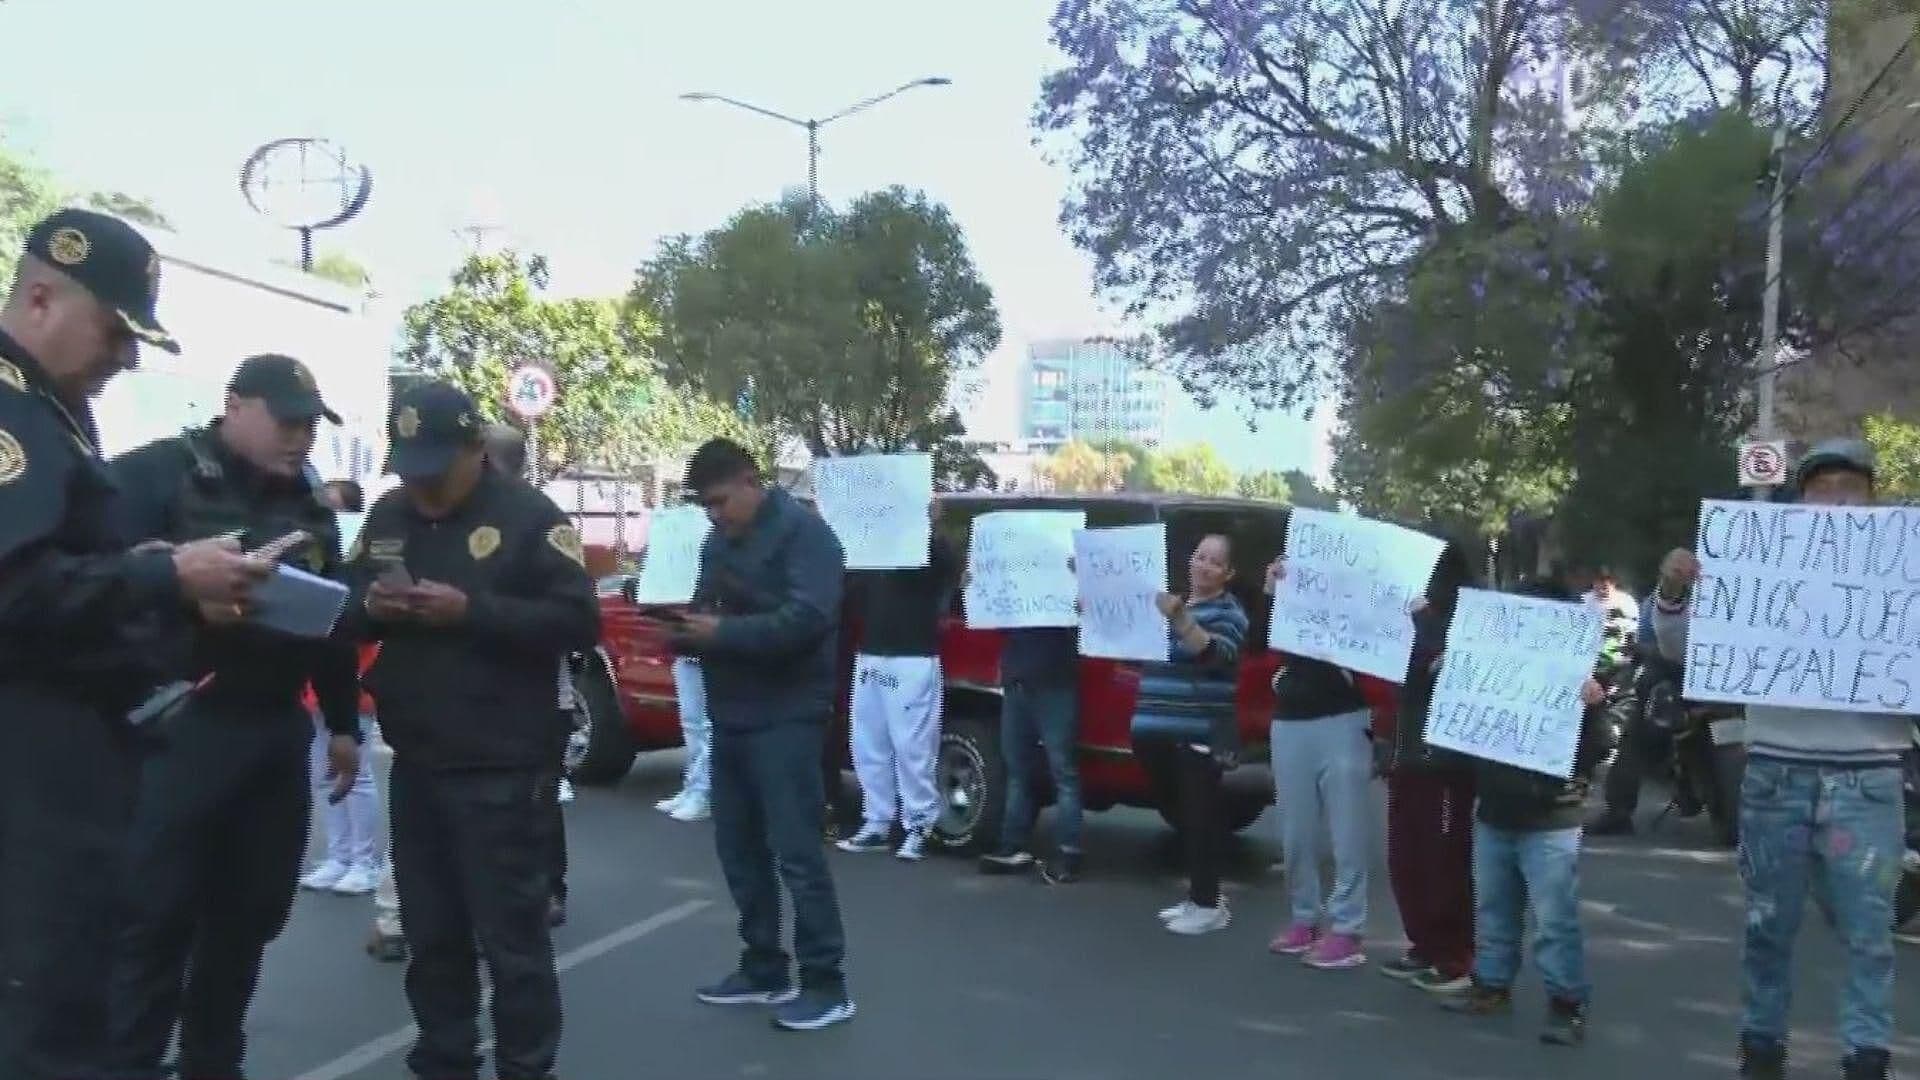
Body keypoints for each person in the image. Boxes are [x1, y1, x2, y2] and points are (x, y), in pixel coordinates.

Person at [0, 208, 272, 1078]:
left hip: (71, 770)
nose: (127, 357)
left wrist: (150, 570)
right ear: (41, 297)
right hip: (29, 781)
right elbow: (13, 591)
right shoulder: (11, 415)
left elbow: (59, 571)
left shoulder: (50, 410)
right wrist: (164, 578)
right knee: (43, 1028)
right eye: (117, 331)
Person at [102, 354, 363, 1078]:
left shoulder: (308, 499)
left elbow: (330, 619)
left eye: (312, 425)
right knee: (152, 918)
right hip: (179, 726)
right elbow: (91, 591)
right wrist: (182, 593)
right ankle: (129, 1062)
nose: (301, 439)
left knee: (249, 915)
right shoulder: (152, 475)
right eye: (287, 422)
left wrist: (342, 725)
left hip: (273, 727)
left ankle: (214, 1062)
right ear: (233, 406)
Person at [343, 382, 598, 1080]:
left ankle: (525, 1066)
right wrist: (371, 603)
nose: (421, 486)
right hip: (419, 759)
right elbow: (345, 602)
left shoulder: (529, 517)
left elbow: (578, 622)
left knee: (511, 942)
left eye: (436, 469)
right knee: (431, 936)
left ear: (476, 450)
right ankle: (444, 1058)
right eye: (410, 469)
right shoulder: (390, 514)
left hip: (503, 764)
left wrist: (472, 612)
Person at [1651, 439, 1906, 1080]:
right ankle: (1760, 1047)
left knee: (1870, 933)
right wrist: (1673, 589)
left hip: (1869, 776)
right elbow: (1683, 648)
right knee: (1768, 926)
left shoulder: (1905, 565)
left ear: (1872, 496)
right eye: (1820, 488)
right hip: (1775, 774)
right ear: (1799, 498)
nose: (1835, 500)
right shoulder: (1758, 565)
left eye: (1849, 487)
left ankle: (1866, 1057)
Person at [663, 438, 855, 1031]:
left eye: (721, 501)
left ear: (752, 481)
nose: (715, 514)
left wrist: (721, 634)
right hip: (733, 713)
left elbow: (807, 619)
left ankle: (826, 984)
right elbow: (709, 608)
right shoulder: (716, 542)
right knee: (739, 850)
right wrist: (684, 629)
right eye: (705, 506)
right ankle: (763, 967)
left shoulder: (807, 535)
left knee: (797, 853)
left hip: (789, 714)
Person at [1441, 575, 1609, 1047]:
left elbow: (1597, 751)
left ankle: (1567, 1003)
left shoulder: (1579, 680)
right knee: (1494, 909)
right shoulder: (1490, 670)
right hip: (1495, 811)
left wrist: (1593, 708)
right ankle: (1492, 985)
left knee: (1555, 921)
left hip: (1552, 818)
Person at [1132, 534, 1249, 936]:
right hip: (1157, 732)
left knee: (1201, 816)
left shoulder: (1229, 613)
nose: (1203, 565)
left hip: (1199, 730)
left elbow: (1214, 654)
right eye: (1199, 556)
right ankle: (1199, 895)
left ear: (1228, 573)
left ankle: (1208, 904)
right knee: (1184, 814)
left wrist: (1180, 619)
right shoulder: (1174, 602)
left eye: (1215, 562)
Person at [1262, 556, 1375, 969]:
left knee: (1347, 832)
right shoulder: (1288, 593)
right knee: (1295, 831)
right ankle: (1304, 919)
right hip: (1290, 721)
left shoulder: (1362, 596)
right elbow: (1259, 644)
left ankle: (1347, 928)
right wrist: (1272, 592)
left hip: (1343, 720)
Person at [483, 421, 573, 924]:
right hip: (484, 692)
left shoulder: (539, 521)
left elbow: (569, 617)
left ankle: (547, 889)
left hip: (541, 694)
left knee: (538, 794)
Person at [1380, 541, 1479, 993]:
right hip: (1407, 755)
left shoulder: (1464, 620)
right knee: (1407, 856)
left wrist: (1425, 620)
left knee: (1444, 859)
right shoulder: (1402, 612)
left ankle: (1456, 954)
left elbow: (1447, 669)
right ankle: (1423, 943)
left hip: (1445, 761)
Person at [837, 500, 959, 861]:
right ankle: (877, 821)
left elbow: (948, 567)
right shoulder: (870, 549)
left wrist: (927, 524)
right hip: (871, 653)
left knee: (912, 746)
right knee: (868, 743)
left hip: (913, 657)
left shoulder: (928, 547)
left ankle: (919, 825)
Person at [978, 611, 1085, 884]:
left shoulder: (1068, 580)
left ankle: (1068, 853)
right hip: (1018, 680)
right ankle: (1012, 845)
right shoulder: (1021, 578)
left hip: (1055, 682)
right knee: (1017, 768)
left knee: (1063, 771)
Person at [1589, 582, 1675, 836]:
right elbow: (1642, 645)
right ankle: (1618, 811)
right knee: (1634, 735)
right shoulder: (1652, 606)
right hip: (1669, 678)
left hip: (1717, 686)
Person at [657, 652, 713, 822]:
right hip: (686, 653)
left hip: (709, 655)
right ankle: (692, 787)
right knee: (691, 724)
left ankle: (703, 792)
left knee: (705, 726)